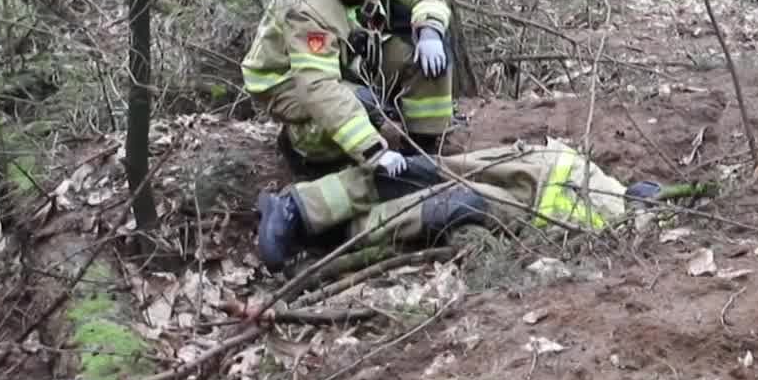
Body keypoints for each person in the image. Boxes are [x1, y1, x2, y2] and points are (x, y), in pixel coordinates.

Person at [240, 0, 456, 179]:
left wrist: (430, 32)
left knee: (424, 55)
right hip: (285, 81)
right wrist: (373, 150)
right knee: (358, 104)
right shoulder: (308, 7)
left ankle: (423, 145)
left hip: (344, 58)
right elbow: (319, 87)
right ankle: (305, 151)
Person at [255, 140, 665, 269]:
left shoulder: (626, 226)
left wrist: (646, 211)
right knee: (418, 171)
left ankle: (331, 238)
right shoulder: (611, 187)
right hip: (533, 164)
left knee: (452, 206)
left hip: (527, 212)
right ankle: (298, 207)